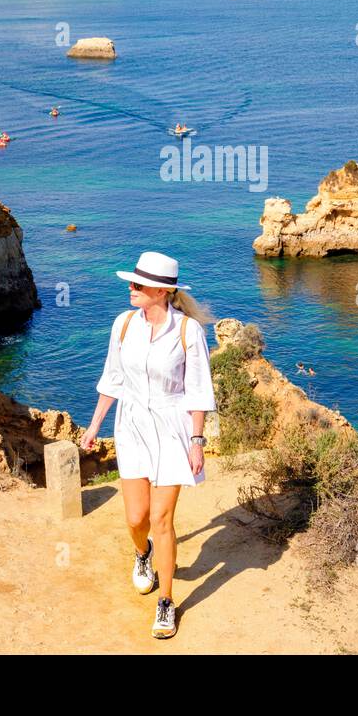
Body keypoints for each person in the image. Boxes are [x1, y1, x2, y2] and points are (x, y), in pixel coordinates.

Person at [78, 251, 216, 640]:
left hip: (173, 430)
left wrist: (196, 440)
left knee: (161, 520)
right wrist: (93, 427)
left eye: (138, 284)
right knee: (137, 519)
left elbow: (198, 392)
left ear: (161, 291)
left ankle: (167, 602)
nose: (131, 288)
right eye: (132, 282)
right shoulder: (123, 325)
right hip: (132, 427)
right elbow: (112, 379)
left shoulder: (189, 332)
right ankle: (143, 555)